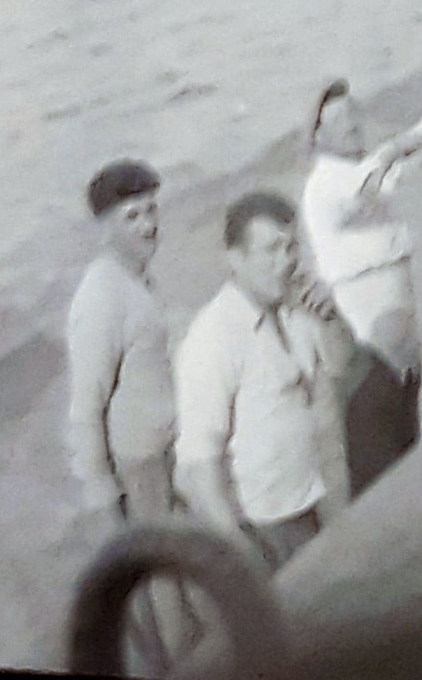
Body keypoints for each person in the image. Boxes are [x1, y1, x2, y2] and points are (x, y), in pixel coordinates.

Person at [300, 79, 422, 494]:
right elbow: (370, 183)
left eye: (353, 113)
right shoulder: (325, 186)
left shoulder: (363, 170)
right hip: (371, 361)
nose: (352, 124)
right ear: (317, 136)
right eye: (338, 119)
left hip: (400, 359)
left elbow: (420, 141)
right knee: (377, 462)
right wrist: (394, 149)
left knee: (404, 450)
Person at [175, 191, 346, 572]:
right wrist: (240, 552)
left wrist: (333, 320)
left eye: (291, 247)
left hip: (317, 501)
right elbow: (199, 463)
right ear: (236, 259)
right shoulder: (213, 337)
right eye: (271, 250)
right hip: (265, 528)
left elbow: (340, 374)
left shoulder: (296, 313)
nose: (286, 261)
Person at [67, 160, 176, 540]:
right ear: (104, 228)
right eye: (132, 217)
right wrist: (102, 492)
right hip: (141, 465)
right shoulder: (101, 296)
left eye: (151, 210)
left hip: (165, 451)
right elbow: (86, 406)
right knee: (162, 561)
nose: (148, 226)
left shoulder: (136, 278)